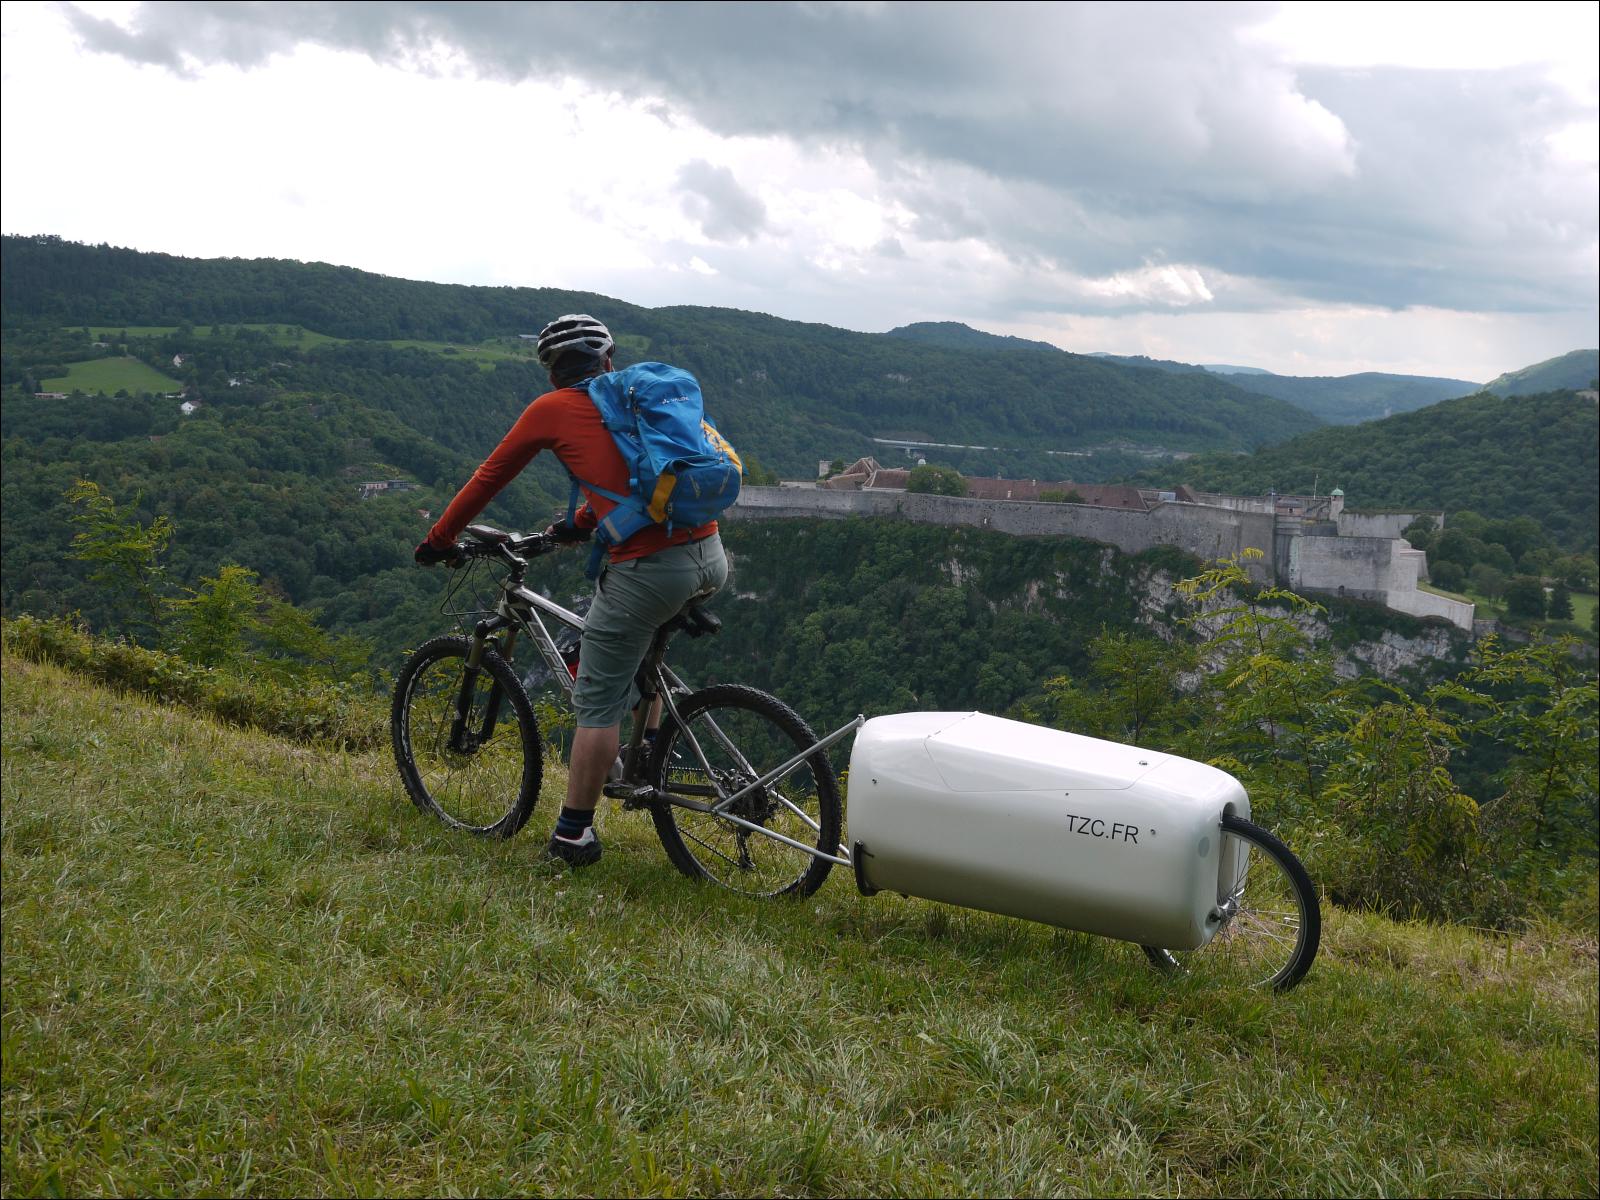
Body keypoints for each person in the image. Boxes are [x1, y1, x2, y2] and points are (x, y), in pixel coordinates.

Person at [414, 314, 729, 868]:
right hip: (709, 553)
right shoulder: (635, 398)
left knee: (597, 703)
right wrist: (579, 523)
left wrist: (439, 540)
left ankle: (572, 837)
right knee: (637, 649)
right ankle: (647, 753)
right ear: (608, 360)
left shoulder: (551, 409)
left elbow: (489, 477)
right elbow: (640, 477)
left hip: (650, 569)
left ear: (552, 371)